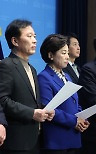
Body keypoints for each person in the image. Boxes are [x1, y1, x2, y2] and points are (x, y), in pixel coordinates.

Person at [0, 19, 54, 154]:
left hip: (35, 139)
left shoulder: (33, 69)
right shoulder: (6, 65)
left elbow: (31, 101)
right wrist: (32, 113)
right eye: (29, 36)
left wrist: (44, 111)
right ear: (15, 41)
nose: (34, 40)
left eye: (35, 36)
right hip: (16, 142)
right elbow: (2, 100)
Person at [38, 34, 89, 154]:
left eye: (67, 53)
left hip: (73, 136)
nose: (67, 56)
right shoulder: (43, 77)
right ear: (50, 55)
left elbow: (75, 102)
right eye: (63, 53)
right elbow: (48, 109)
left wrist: (82, 118)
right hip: (57, 140)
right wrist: (74, 121)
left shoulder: (67, 76)